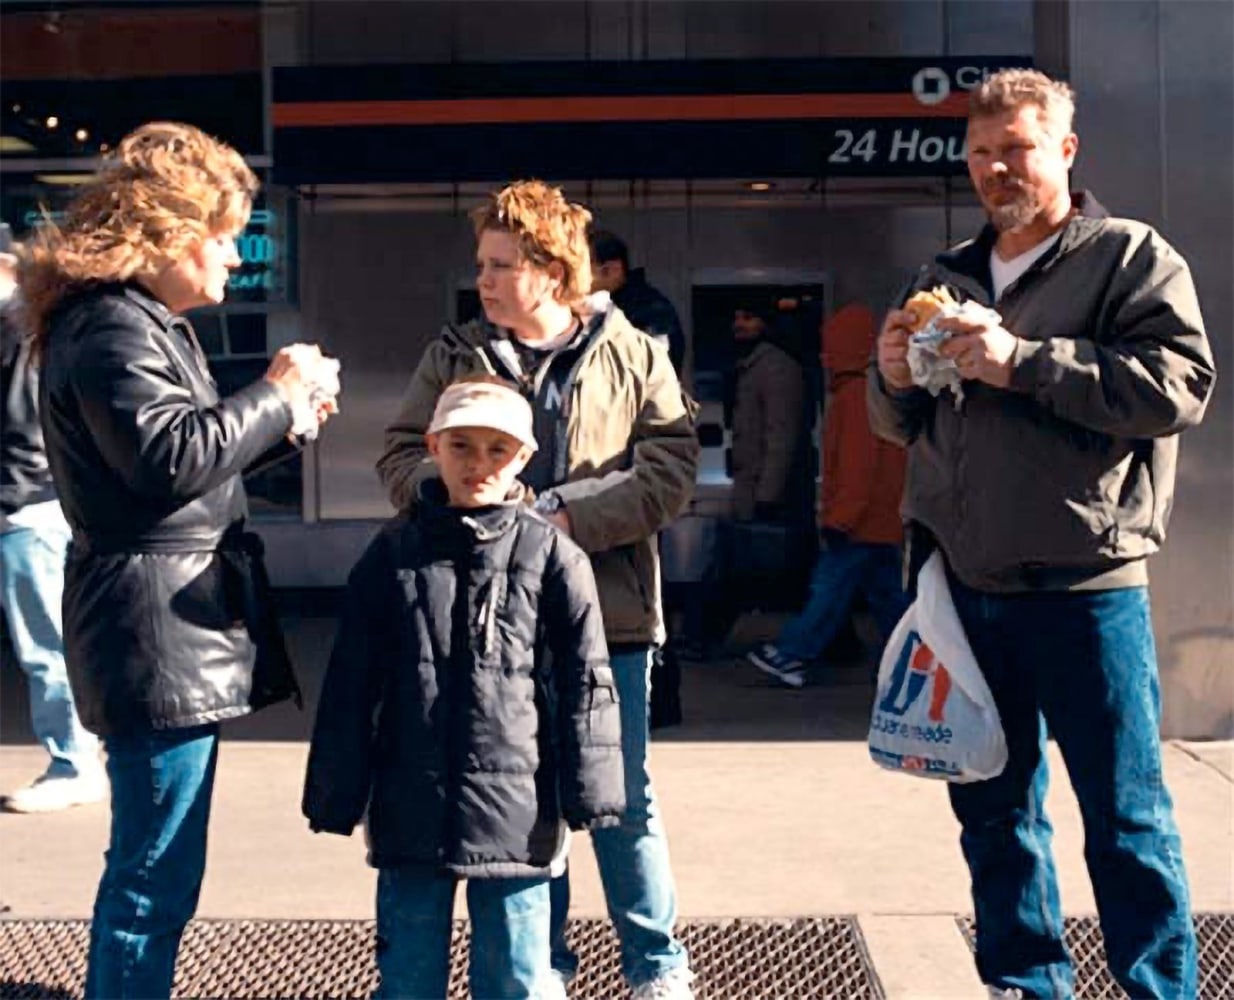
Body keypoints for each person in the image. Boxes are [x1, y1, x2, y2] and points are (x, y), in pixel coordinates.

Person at [869, 69, 1214, 999]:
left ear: (1064, 150)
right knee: (993, 812)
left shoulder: (1131, 258)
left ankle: (1158, 989)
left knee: (1127, 818)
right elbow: (899, 427)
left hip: (1085, 589)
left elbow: (1179, 387)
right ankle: (1027, 984)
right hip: (964, 587)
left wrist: (1022, 361)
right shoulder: (945, 274)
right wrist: (893, 374)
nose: (994, 168)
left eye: (1015, 148)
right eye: (980, 153)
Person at [21, 121, 338, 999]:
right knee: (153, 874)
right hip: (151, 626)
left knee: (156, 866)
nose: (236, 256)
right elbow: (166, 458)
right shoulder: (114, 327)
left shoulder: (120, 320)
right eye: (224, 234)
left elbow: (170, 469)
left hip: (156, 617)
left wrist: (286, 421)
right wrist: (274, 392)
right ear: (165, 232)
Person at [377, 180, 699, 999]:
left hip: (611, 616)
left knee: (623, 801)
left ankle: (655, 968)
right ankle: (543, 964)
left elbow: (670, 472)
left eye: (501, 265)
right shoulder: (454, 353)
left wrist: (557, 526)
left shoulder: (635, 352)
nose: (483, 281)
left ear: (553, 271)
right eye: (482, 264)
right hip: (489, 625)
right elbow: (398, 457)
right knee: (525, 806)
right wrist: (461, 497)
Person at [305, 377, 624, 1000]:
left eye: (497, 450)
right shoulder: (391, 555)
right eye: (462, 446)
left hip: (519, 816)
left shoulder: (554, 557)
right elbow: (350, 685)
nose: (479, 464)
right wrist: (335, 795)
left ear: (525, 458)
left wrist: (591, 795)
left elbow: (586, 684)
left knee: (517, 978)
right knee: (407, 978)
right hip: (409, 807)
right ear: (433, 446)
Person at [0, 222, 107, 813]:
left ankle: (73, 762)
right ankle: (83, 753)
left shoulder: (15, 330)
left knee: (47, 644)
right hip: (45, 503)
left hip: (26, 510)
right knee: (65, 638)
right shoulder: (39, 325)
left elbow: (23, 429)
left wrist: (7, 502)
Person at [748, 302, 909, 689]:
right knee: (887, 598)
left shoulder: (853, 397)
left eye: (830, 345)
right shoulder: (875, 391)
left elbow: (856, 466)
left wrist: (839, 518)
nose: (823, 354)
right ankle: (911, 659)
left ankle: (792, 653)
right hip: (882, 518)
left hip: (860, 523)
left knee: (830, 589)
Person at [589, 227, 687, 729]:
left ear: (611, 270)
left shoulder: (640, 318)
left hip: (633, 474)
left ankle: (657, 703)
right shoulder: (639, 311)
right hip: (622, 474)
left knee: (642, 594)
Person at [728, 301, 808, 525]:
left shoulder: (776, 368)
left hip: (767, 506)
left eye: (747, 318)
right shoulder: (750, 366)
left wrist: (767, 498)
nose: (738, 324)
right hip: (751, 499)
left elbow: (781, 436)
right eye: (736, 318)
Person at [590, 229, 686, 372]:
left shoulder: (651, 311)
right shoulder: (598, 309)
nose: (573, 279)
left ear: (611, 270)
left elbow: (655, 372)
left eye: (580, 270)